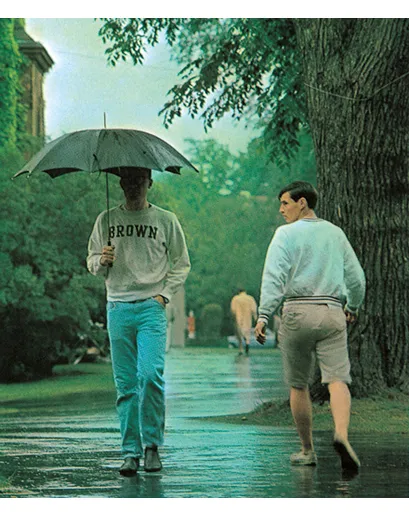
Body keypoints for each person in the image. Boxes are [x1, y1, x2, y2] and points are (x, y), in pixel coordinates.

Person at [255, 181, 365, 473]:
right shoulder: (335, 233)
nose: (281, 210)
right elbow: (356, 278)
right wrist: (353, 306)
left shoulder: (285, 235)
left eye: (285, 203)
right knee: (338, 379)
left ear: (302, 203)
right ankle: (341, 434)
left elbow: (274, 277)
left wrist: (264, 315)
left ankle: (307, 450)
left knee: (298, 384)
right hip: (331, 311)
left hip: (297, 312)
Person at [87, 167, 191, 476]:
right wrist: (101, 260)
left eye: (140, 182)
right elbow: (91, 261)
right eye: (128, 182)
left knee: (150, 375)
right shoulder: (106, 220)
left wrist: (164, 295)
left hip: (150, 307)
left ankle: (152, 446)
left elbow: (181, 263)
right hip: (118, 306)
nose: (134, 187)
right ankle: (130, 452)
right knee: (126, 384)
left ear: (150, 183)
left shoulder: (165, 220)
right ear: (120, 184)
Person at [231, 288, 258, 355]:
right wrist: (256, 319)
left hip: (238, 318)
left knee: (239, 333)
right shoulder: (250, 298)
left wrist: (233, 318)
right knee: (247, 331)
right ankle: (247, 343)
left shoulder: (235, 299)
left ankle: (240, 349)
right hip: (248, 318)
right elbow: (254, 310)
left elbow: (233, 310)